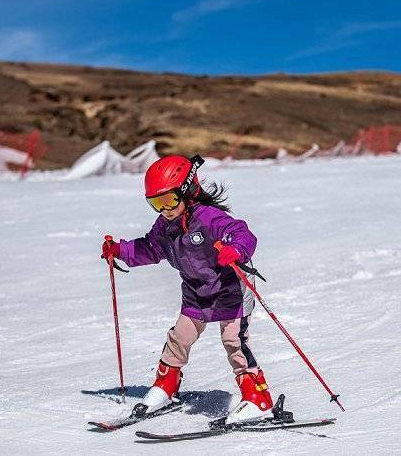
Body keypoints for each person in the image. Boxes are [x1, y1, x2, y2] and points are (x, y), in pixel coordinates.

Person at [100, 154, 274, 424]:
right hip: (196, 293)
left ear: (188, 192)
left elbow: (242, 233)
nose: (164, 209)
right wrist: (120, 250)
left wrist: (236, 249)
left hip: (230, 292)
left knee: (234, 342)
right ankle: (165, 387)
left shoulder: (208, 218)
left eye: (169, 200)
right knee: (179, 338)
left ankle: (257, 399)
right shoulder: (165, 225)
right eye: (155, 203)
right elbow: (149, 248)